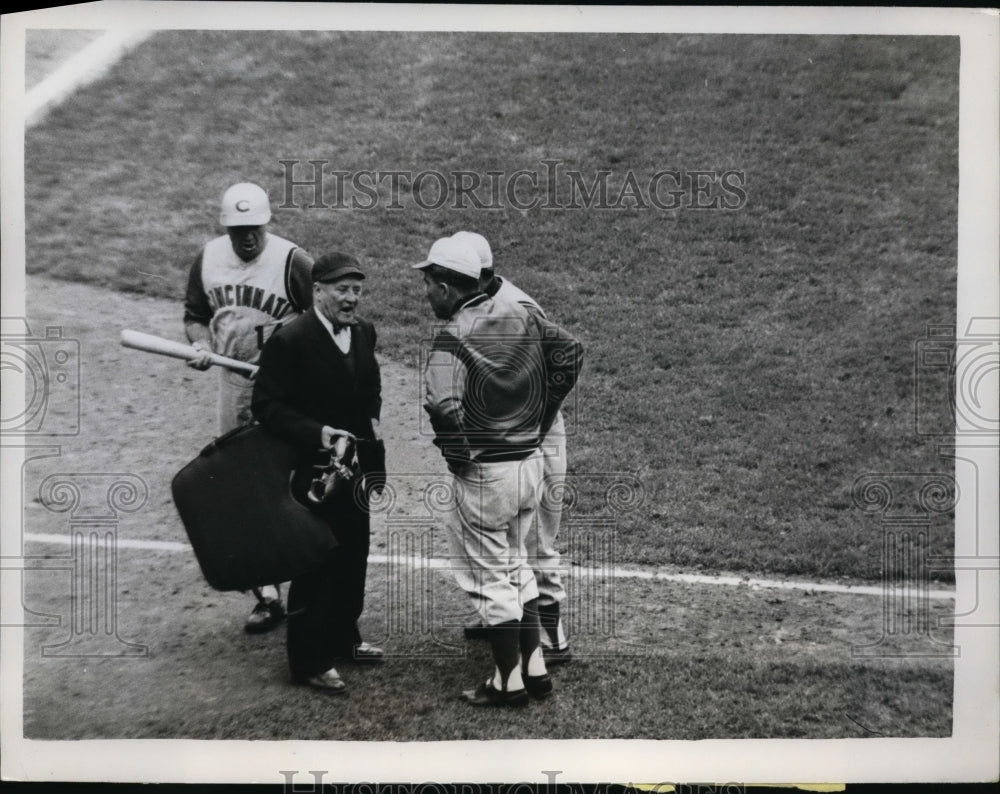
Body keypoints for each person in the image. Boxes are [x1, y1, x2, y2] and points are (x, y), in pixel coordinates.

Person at [413, 236, 581, 707]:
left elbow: (441, 404)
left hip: (486, 474)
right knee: (515, 562)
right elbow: (571, 351)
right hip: (530, 466)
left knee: (488, 577)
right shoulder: (523, 313)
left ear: (447, 287)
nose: (426, 292)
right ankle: (536, 668)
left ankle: (506, 683)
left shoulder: (453, 335)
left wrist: (458, 456)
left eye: (428, 283)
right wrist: (540, 420)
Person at [183, 181, 314, 634]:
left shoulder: (292, 261)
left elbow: (324, 318)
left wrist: (292, 365)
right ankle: (267, 594)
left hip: (287, 390)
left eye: (254, 227)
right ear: (226, 227)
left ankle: (312, 590)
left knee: (296, 480)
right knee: (242, 486)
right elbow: (195, 315)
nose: (248, 237)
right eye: (239, 229)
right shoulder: (209, 258)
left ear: (266, 222)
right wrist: (200, 345)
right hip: (234, 383)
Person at [251, 252, 384, 694]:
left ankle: (344, 639)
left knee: (353, 557)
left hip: (356, 471)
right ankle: (307, 659)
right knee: (315, 562)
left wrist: (373, 457)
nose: (351, 299)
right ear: (318, 291)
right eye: (342, 290)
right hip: (313, 472)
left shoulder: (364, 333)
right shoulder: (290, 340)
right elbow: (266, 407)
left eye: (357, 290)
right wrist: (317, 433)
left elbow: (371, 394)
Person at [452, 231, 572, 665]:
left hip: (538, 434)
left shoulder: (518, 306)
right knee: (513, 539)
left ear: (481, 276)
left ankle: (552, 638)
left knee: (537, 539)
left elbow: (568, 355)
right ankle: (507, 624)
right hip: (515, 434)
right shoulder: (484, 304)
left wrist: (541, 420)